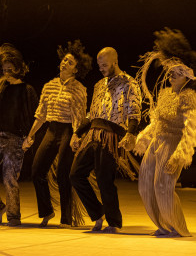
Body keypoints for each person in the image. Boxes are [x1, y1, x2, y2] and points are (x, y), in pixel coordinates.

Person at [70, 47, 142, 233]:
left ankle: (114, 222)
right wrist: (77, 133)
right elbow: (91, 113)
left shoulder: (129, 83)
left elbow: (134, 111)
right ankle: (98, 212)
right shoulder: (99, 85)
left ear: (115, 62)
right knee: (75, 175)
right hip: (93, 132)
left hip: (111, 134)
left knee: (104, 180)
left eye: (104, 65)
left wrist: (131, 133)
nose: (101, 68)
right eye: (99, 65)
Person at [23, 40, 92, 228]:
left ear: (76, 69)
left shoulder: (79, 88)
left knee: (63, 174)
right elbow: (41, 114)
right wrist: (30, 136)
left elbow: (79, 115)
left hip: (68, 130)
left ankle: (67, 218)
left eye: (70, 62)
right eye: (64, 60)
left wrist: (77, 136)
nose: (64, 63)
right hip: (51, 130)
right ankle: (47, 211)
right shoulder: (49, 86)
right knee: (36, 171)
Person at [135, 28, 196, 237]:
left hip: (172, 144)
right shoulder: (164, 94)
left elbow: (191, 128)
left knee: (163, 186)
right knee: (145, 185)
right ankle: (162, 225)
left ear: (187, 76)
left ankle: (177, 227)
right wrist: (141, 139)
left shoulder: (188, 96)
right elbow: (155, 122)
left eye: (177, 71)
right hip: (156, 143)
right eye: (171, 70)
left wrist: (180, 155)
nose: (171, 74)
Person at [0, 44, 38, 226]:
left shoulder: (27, 90)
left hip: (16, 138)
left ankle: (13, 216)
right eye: (4, 70)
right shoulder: (0, 89)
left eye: (10, 70)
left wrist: (30, 137)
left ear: (19, 69)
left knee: (9, 178)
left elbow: (36, 115)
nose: (6, 73)